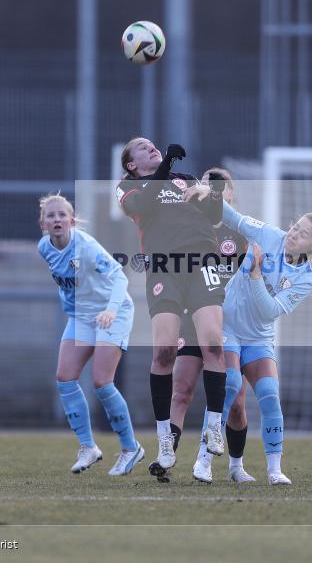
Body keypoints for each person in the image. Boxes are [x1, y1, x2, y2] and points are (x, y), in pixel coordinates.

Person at [185, 184, 312, 485]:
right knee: (231, 385)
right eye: (295, 227)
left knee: (271, 397)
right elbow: (234, 218)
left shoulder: (305, 279)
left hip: (258, 338)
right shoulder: (269, 235)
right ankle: (204, 460)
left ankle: (273, 470)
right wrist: (207, 191)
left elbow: (269, 311)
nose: (293, 234)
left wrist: (257, 274)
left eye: (302, 234)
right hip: (229, 328)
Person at [116, 138, 227, 482]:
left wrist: (216, 194)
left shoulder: (186, 178)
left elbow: (212, 216)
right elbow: (145, 206)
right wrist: (163, 169)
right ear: (131, 165)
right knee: (164, 352)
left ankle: (213, 429)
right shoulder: (127, 187)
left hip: (203, 260)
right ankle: (165, 438)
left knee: (212, 344)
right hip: (164, 267)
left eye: (153, 145)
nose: (151, 148)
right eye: (142, 148)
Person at [37, 193, 144, 476]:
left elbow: (120, 277)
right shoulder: (43, 247)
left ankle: (131, 448)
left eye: (62, 215)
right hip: (82, 315)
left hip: (114, 310)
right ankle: (88, 447)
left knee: (101, 381)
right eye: (51, 215)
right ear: (43, 224)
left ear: (72, 221)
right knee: (65, 377)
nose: (57, 219)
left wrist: (109, 310)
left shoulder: (85, 246)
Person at [168, 168, 258, 483]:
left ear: (229, 195)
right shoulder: (186, 229)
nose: (209, 188)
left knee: (235, 402)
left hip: (230, 325)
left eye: (218, 186)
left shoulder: (242, 237)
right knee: (180, 389)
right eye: (204, 184)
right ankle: (167, 458)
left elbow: (253, 281)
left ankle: (236, 466)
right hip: (194, 320)